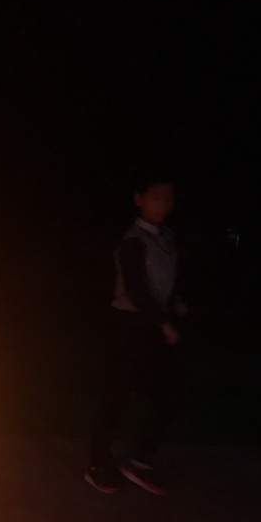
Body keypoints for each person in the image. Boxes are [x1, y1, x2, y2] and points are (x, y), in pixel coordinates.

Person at [86, 178, 186, 495]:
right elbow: (137, 289)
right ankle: (97, 463)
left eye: (168, 200)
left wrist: (173, 302)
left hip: (151, 327)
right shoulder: (133, 240)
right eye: (155, 198)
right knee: (114, 396)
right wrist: (164, 323)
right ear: (140, 200)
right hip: (128, 326)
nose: (162, 205)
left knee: (168, 396)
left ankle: (139, 462)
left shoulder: (165, 237)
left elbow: (161, 280)